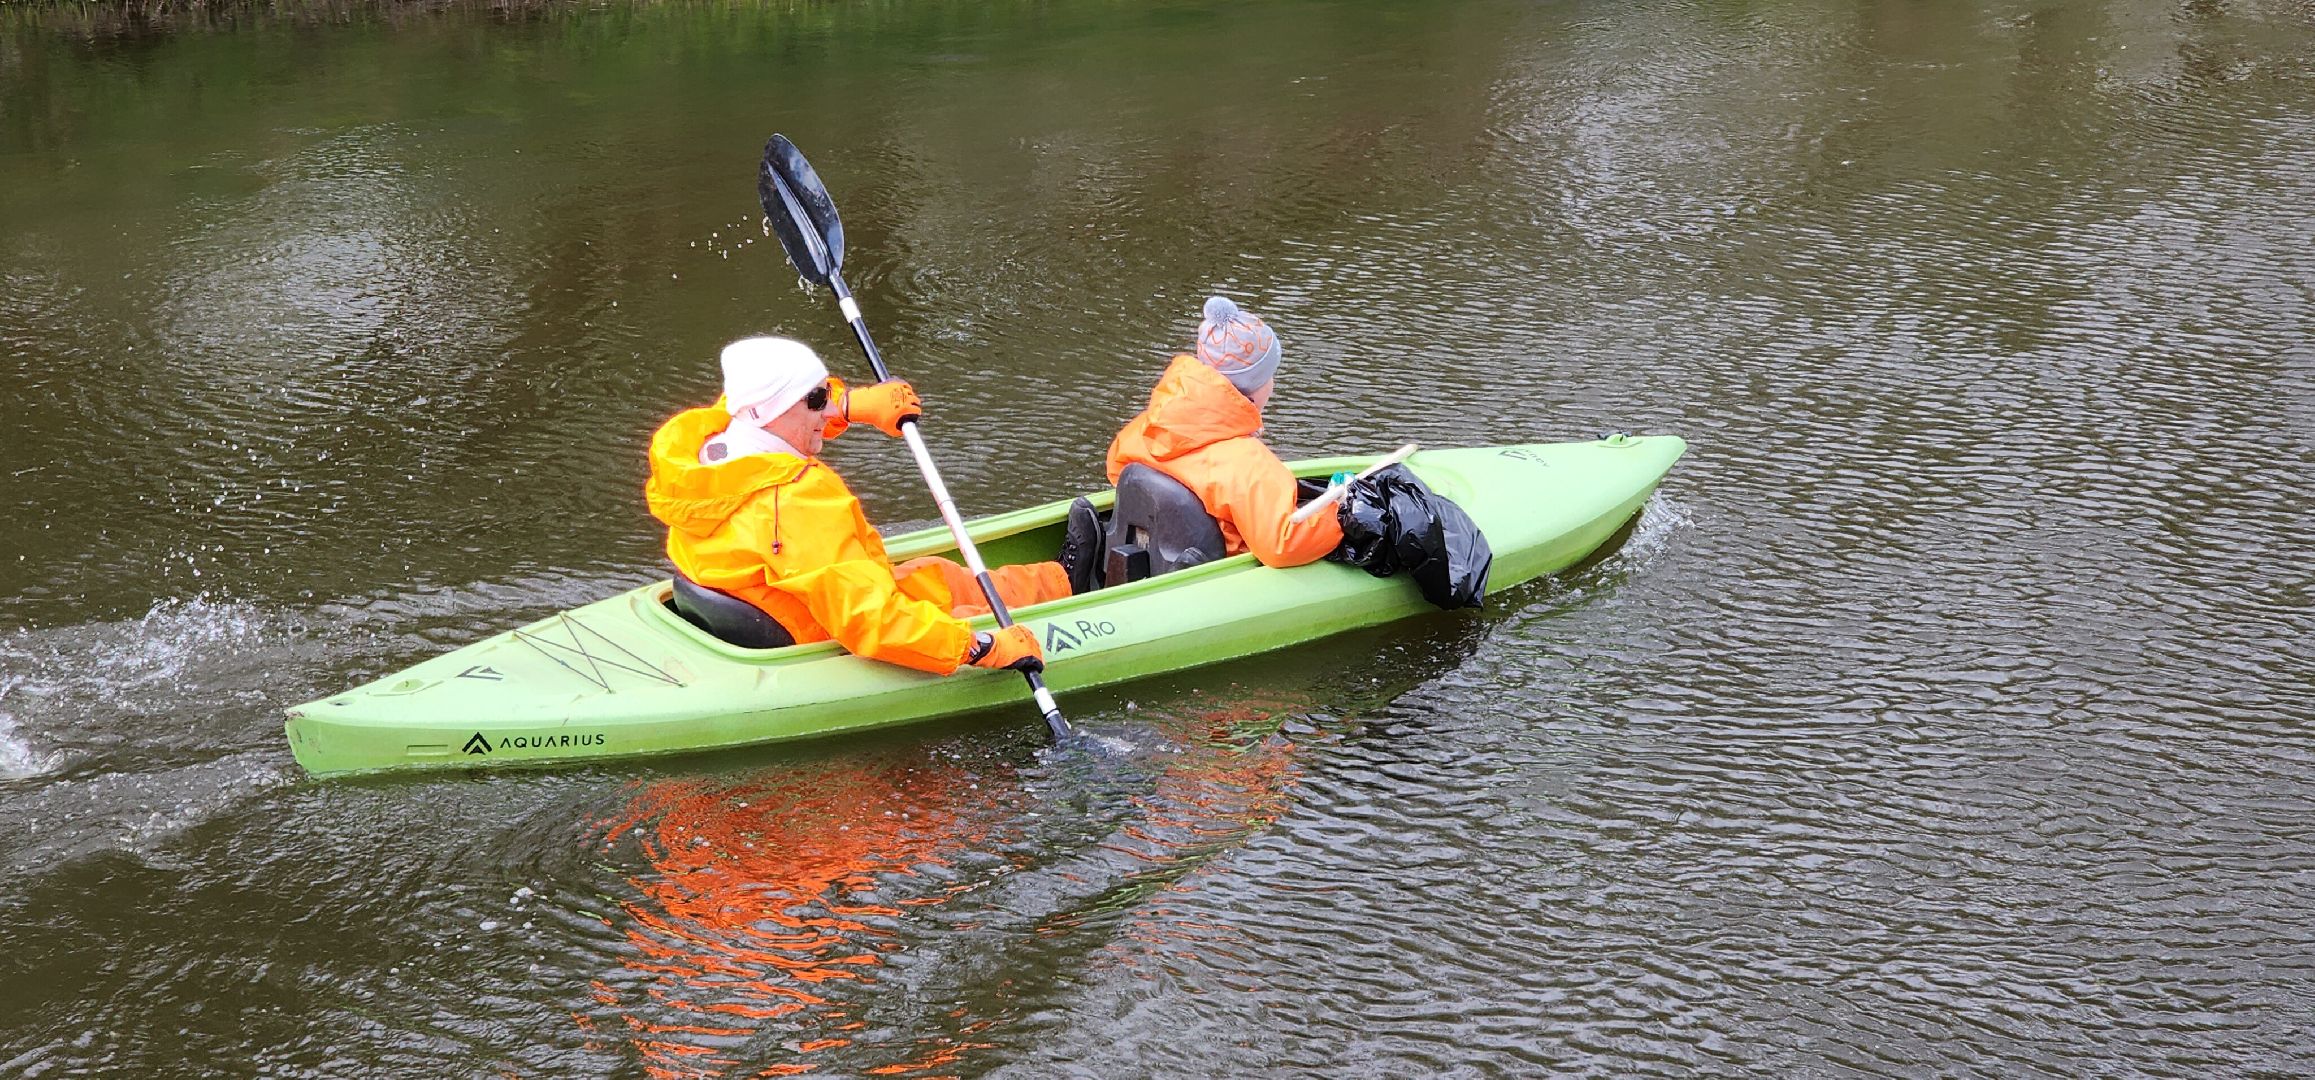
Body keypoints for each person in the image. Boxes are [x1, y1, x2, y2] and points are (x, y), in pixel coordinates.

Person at [646, 337, 1100, 675]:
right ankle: (1068, 615)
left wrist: (850, 405)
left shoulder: (703, 452)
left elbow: (774, 409)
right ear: (769, 412)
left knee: (937, 576)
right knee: (964, 618)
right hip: (822, 635)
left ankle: (1063, 582)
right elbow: (872, 620)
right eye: (817, 400)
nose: (827, 410)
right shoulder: (798, 505)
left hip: (780, 598)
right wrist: (980, 647)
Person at [1100, 295, 1344, 570]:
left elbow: (1117, 471)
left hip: (1157, 560)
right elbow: (1282, 545)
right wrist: (1341, 514)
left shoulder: (1145, 428)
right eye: (1270, 375)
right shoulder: (1249, 464)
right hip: (1222, 570)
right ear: (1257, 386)